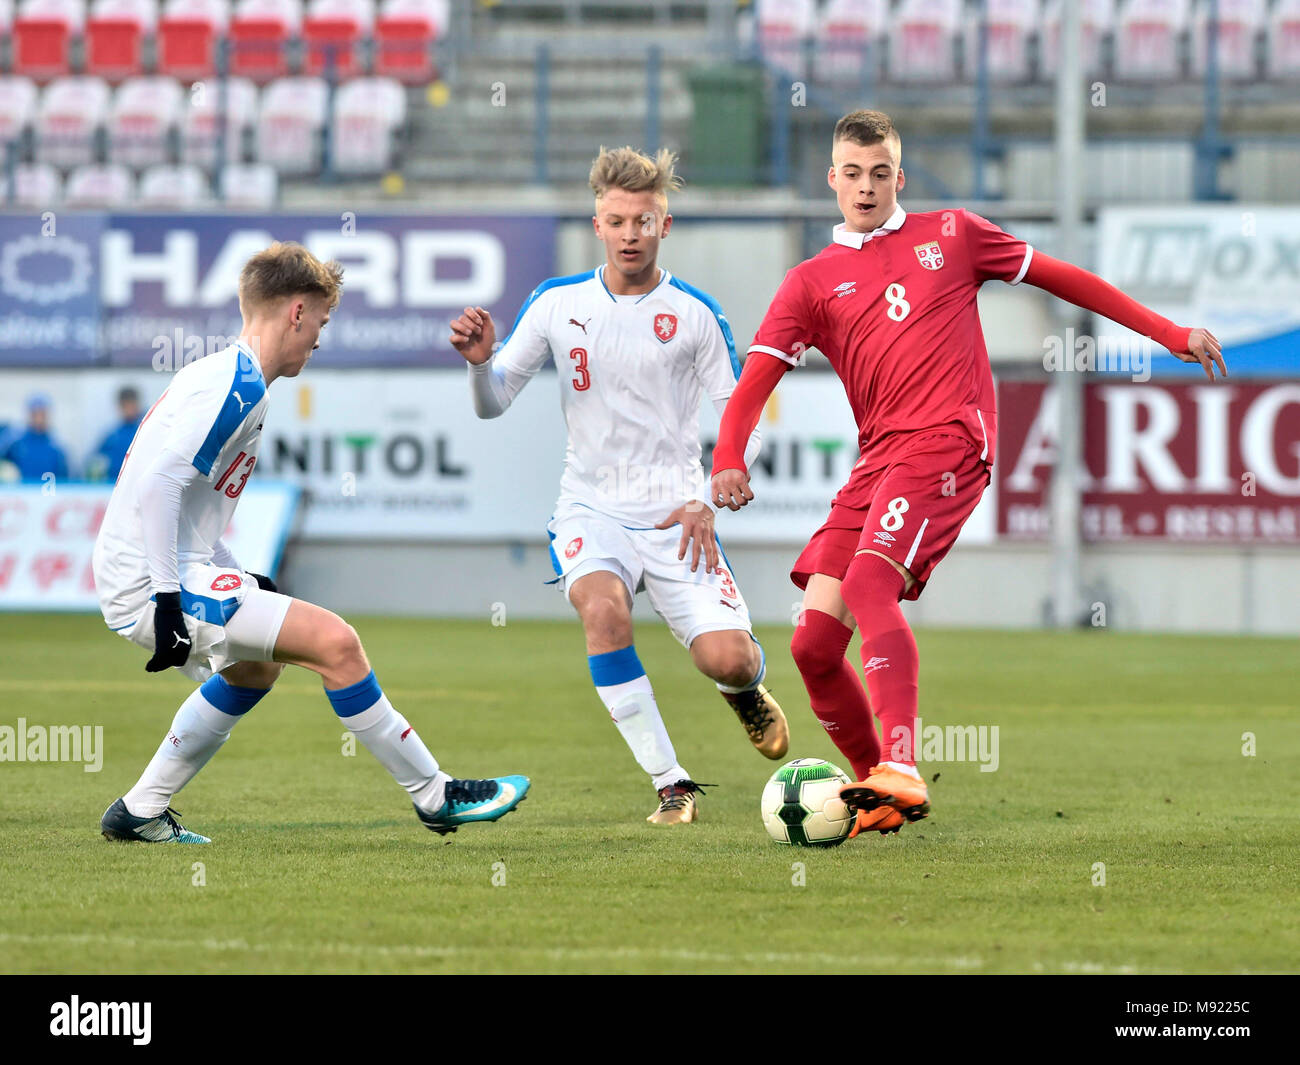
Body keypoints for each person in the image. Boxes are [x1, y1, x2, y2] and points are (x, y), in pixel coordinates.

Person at [710, 110, 1225, 839]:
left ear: (900, 178)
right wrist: (729, 454)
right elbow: (757, 376)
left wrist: (1167, 332)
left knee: (867, 582)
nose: (865, 188)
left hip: (949, 442)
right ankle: (881, 789)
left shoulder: (951, 234)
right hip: (878, 460)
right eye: (851, 174)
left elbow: (1063, 277)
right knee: (813, 646)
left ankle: (901, 764)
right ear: (831, 178)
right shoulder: (810, 283)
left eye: (879, 174)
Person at [93, 241, 528, 844]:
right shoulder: (234, 387)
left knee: (255, 670)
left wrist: (239, 575)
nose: (320, 337)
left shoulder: (232, 378)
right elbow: (159, 487)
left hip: (163, 568)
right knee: (336, 644)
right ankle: (436, 795)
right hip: (148, 581)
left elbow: (192, 512)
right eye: (321, 320)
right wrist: (167, 598)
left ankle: (138, 810)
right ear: (297, 311)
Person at [449, 146, 787, 826]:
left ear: (666, 225)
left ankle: (745, 689)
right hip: (590, 508)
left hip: (677, 515)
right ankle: (672, 784)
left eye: (644, 220)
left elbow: (744, 413)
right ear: (596, 225)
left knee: (727, 657)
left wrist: (720, 478)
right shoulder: (556, 303)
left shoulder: (695, 313)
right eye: (617, 220)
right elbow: (492, 403)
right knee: (604, 612)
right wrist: (481, 365)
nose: (631, 233)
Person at [4, 394, 71, 483]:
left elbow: (64, 481)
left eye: (42, 415)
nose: (38, 419)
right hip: (20, 495)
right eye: (35, 414)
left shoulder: (57, 450)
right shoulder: (14, 446)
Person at [92, 386, 144, 483]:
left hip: (139, 485)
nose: (128, 409)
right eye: (125, 405)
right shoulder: (112, 436)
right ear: (120, 407)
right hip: (114, 487)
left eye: (131, 404)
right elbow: (94, 461)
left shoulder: (145, 431)